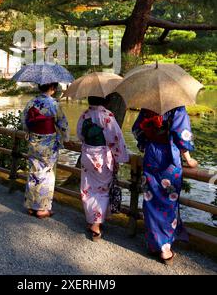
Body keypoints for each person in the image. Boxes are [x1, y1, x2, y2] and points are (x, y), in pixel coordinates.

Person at [132, 106, 198, 264]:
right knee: (169, 201)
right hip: (170, 157)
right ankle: (165, 248)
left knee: (150, 200)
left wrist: (145, 146)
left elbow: (137, 129)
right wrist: (189, 159)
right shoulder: (178, 109)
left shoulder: (147, 107)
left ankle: (154, 244)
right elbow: (183, 136)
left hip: (151, 154)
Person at [77, 96, 129, 241]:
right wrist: (119, 158)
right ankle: (96, 224)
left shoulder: (84, 115)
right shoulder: (107, 115)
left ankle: (91, 219)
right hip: (102, 157)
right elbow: (116, 138)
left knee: (87, 188)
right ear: (103, 100)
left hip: (87, 154)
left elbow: (80, 135)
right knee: (102, 190)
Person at [22, 82, 69, 218]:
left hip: (34, 141)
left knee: (34, 172)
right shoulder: (54, 104)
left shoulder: (32, 102)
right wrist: (65, 138)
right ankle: (42, 208)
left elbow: (24, 121)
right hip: (48, 142)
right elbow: (63, 123)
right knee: (47, 174)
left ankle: (31, 205)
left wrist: (30, 131)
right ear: (52, 89)